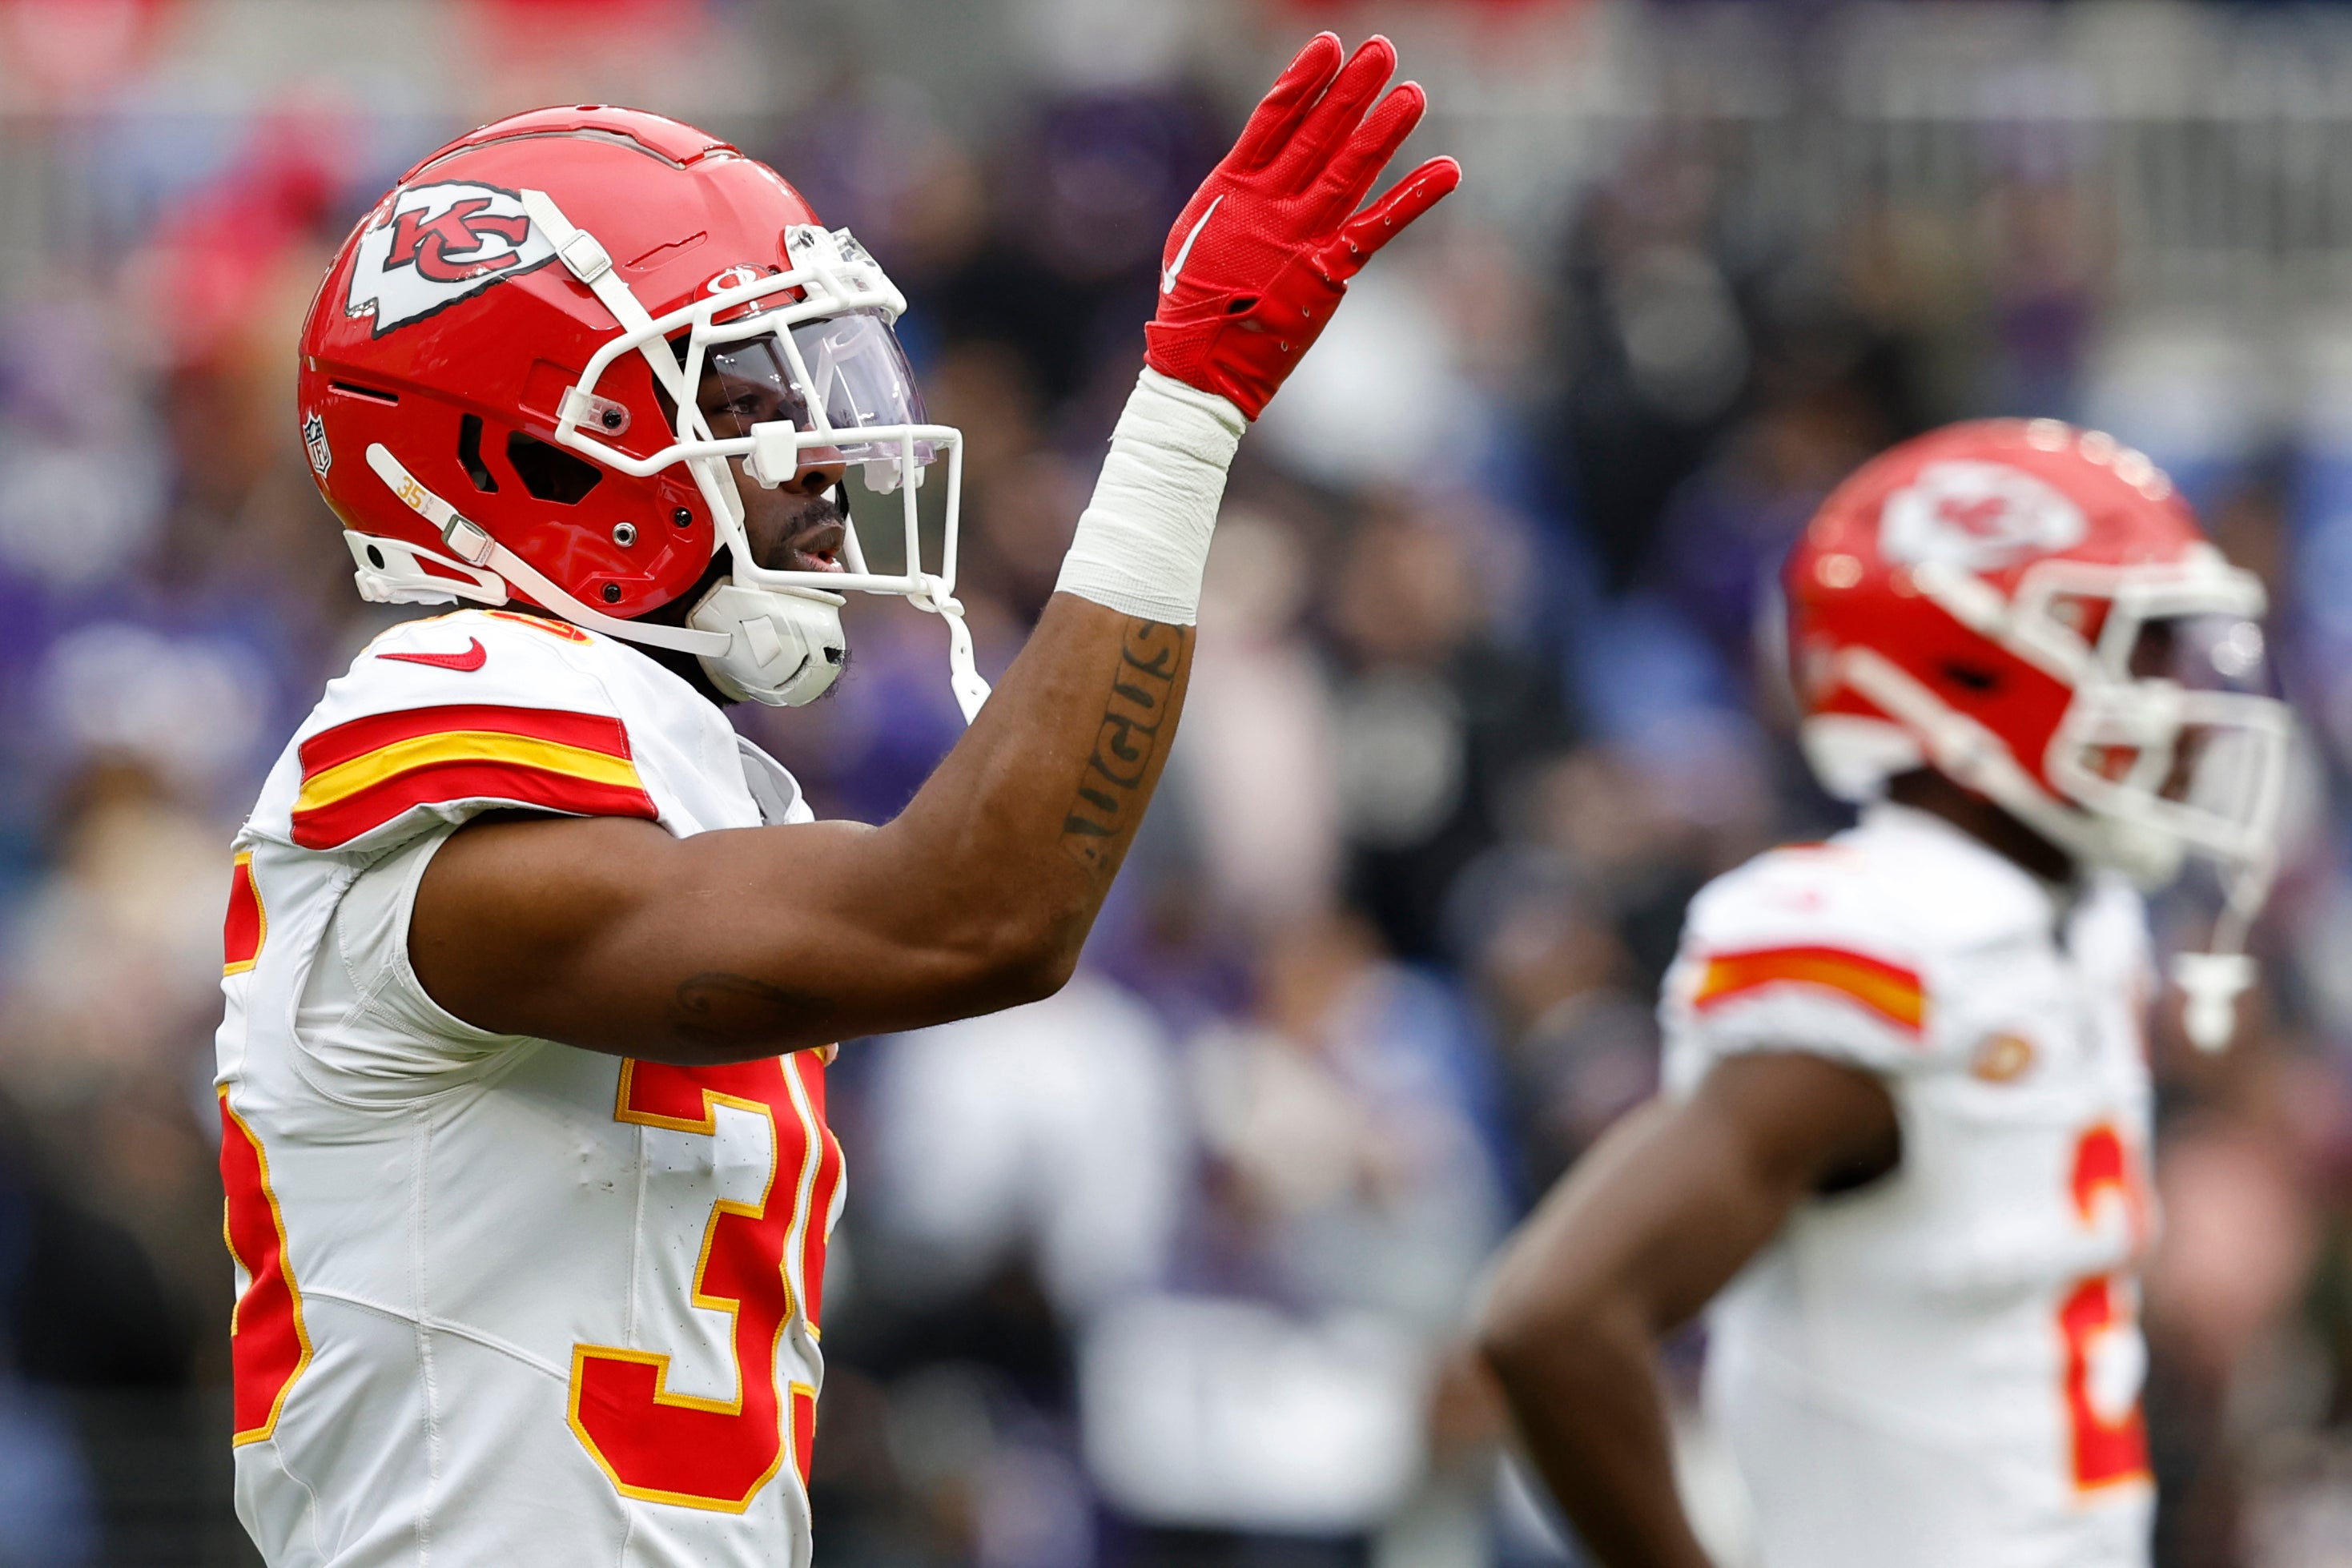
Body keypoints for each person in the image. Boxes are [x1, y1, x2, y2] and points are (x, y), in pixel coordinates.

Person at [212, 36, 1457, 1566]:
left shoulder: (680, 759)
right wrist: (1184, 414)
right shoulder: (446, 713)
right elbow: (981, 913)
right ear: (530, 445)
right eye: (731, 396)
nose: (812, 456)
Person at [1477, 420, 2294, 1568]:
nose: (2175, 694)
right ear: (1969, 660)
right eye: (2133, 646)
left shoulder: (2075, 918)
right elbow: (1551, 1321)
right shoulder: (1891, 945)